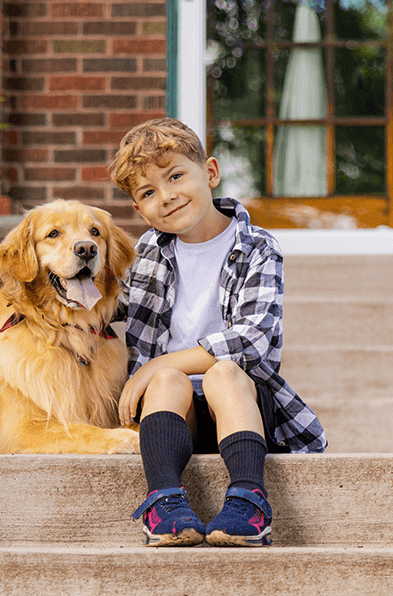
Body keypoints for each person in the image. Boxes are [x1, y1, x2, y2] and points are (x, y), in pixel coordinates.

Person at [109, 118, 327, 548]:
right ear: (138, 209)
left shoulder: (257, 247)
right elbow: (105, 306)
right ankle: (164, 502)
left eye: (175, 177)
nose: (167, 197)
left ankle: (248, 498)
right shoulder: (145, 254)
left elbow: (251, 341)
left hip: (240, 405)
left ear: (209, 173)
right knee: (169, 382)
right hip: (172, 417)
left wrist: (155, 364)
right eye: (148, 192)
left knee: (222, 373)